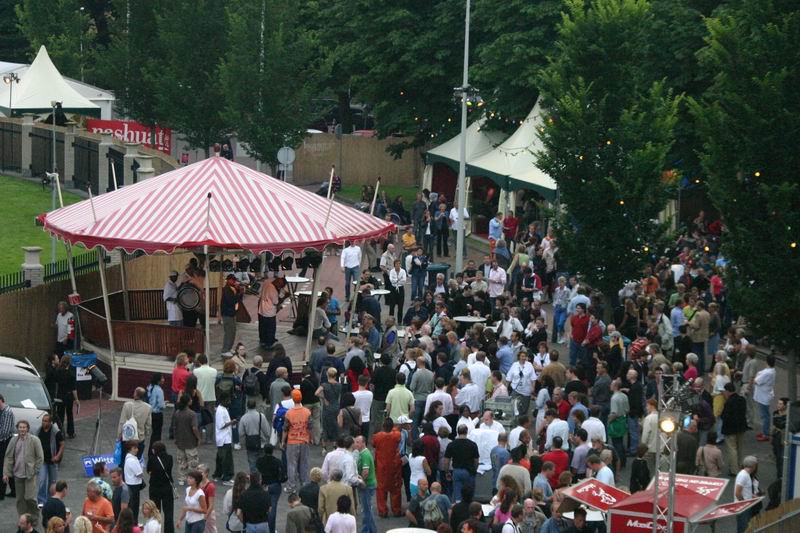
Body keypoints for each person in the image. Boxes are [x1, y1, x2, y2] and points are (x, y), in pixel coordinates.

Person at [3, 420, 43, 523]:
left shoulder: (34, 440)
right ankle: (23, 520)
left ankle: (34, 517)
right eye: (20, 427)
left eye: (24, 427)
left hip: (30, 474)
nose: (22, 429)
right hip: (17, 474)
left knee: (30, 498)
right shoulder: (13, 440)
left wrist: (35, 470)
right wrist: (6, 473)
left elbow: (40, 457)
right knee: (20, 499)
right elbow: (8, 457)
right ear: (17, 428)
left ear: (27, 428)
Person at [372, 418, 402, 517]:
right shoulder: (397, 435)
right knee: (396, 489)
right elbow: (397, 432)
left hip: (382, 466)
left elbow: (373, 444)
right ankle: (396, 510)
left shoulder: (377, 436)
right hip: (394, 465)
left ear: (383, 427)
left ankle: (383, 511)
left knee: (381, 489)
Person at [284, 389, 311, 493]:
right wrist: (311, 438)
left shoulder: (289, 413)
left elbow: (285, 429)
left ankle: (291, 486)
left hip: (292, 441)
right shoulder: (307, 412)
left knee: (291, 464)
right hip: (304, 440)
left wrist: (282, 441)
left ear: (293, 399)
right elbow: (310, 427)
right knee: (304, 463)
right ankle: (304, 484)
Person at [444, 424, 480, 503]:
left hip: (457, 471)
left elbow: (446, 461)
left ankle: (458, 506)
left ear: (457, 432)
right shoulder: (472, 445)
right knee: (469, 495)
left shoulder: (452, 444)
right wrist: (474, 470)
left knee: (457, 495)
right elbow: (476, 461)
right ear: (467, 432)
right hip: (469, 471)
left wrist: (447, 472)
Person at [721, 382, 748, 476]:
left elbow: (724, 416)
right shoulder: (742, 399)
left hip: (730, 429)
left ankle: (734, 469)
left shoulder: (728, 402)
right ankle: (740, 465)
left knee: (732, 449)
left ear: (727, 391)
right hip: (741, 427)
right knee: (740, 448)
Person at [147, 441, 175, 533]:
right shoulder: (170, 458)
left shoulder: (152, 459)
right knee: (168, 512)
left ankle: (155, 530)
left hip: (155, 488)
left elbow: (148, 470)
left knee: (155, 511)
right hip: (167, 487)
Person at [255, 445, 284, 533]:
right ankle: (271, 530)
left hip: (263, 485)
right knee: (272, 508)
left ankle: (261, 527)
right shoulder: (277, 461)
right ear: (272, 451)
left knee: (261, 507)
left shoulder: (259, 461)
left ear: (264, 451)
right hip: (274, 485)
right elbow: (282, 474)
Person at [36, 413, 63, 505]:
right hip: (42, 460)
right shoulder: (39, 431)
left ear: (50, 422)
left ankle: (50, 500)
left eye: (46, 421)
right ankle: (41, 501)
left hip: (52, 461)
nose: (43, 423)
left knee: (52, 483)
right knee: (42, 480)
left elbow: (62, 444)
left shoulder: (56, 432)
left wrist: (58, 456)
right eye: (43, 421)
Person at [118, 388, 152, 459]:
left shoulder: (127, 405)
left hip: (127, 437)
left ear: (136, 395)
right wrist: (146, 433)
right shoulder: (148, 407)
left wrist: (119, 435)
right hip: (139, 437)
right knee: (137, 459)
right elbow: (148, 424)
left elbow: (122, 422)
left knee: (124, 459)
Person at [354, 435, 378, 533]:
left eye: (357, 442)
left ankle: (364, 531)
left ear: (363, 443)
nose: (355, 444)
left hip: (367, 486)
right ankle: (373, 531)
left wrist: (361, 481)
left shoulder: (365, 455)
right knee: (367, 509)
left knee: (366, 510)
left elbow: (365, 472)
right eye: (355, 442)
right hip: (367, 485)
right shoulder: (363, 453)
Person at [316, 368, 343, 454]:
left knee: (325, 426)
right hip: (336, 406)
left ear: (327, 374)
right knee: (335, 426)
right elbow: (339, 397)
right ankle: (334, 446)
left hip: (327, 407)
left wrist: (324, 398)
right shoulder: (339, 385)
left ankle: (324, 447)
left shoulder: (324, 385)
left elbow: (316, 393)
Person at [53, 356, 79, 440]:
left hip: (60, 395)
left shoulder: (58, 372)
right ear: (69, 363)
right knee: (69, 414)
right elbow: (74, 388)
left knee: (60, 414)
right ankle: (70, 432)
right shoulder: (71, 374)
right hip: (68, 396)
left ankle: (59, 432)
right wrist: (76, 399)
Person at [735, 456, 762, 533]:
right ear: (754, 466)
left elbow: (745, 491)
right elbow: (737, 493)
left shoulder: (746, 474)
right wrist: (744, 503)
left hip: (746, 506)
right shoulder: (743, 475)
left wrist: (753, 496)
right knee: (744, 529)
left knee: (746, 528)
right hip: (743, 507)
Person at [213, 395, 236, 485]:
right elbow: (221, 425)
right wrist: (231, 422)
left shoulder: (223, 409)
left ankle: (218, 475)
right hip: (224, 439)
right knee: (227, 460)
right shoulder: (220, 411)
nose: (229, 402)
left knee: (220, 458)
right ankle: (226, 478)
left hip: (224, 438)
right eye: (227, 400)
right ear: (222, 401)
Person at [753, 355, 776, 442]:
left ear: (766, 362)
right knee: (764, 415)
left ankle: (766, 434)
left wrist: (757, 375)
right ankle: (764, 432)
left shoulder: (767, 373)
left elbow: (756, 381)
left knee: (764, 416)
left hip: (763, 396)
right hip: (764, 395)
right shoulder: (772, 371)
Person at [258, 277, 283, 349]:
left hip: (262, 309)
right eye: (280, 285)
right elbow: (276, 302)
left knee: (262, 327)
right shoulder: (273, 290)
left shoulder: (266, 283)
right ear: (278, 282)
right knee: (270, 328)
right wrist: (283, 297)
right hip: (269, 312)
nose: (280, 287)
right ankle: (269, 343)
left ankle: (263, 340)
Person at [123, 441, 144, 523]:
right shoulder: (132, 460)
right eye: (134, 448)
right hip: (134, 486)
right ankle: (134, 524)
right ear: (129, 449)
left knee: (131, 505)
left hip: (129, 484)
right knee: (134, 507)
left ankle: (132, 523)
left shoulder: (128, 458)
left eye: (137, 448)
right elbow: (139, 474)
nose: (137, 450)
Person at [220, 274, 242, 353]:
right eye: (232, 280)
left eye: (234, 280)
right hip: (227, 313)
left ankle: (229, 348)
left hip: (232, 313)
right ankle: (225, 350)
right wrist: (239, 294)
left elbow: (237, 299)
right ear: (228, 280)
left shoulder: (232, 289)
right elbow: (231, 301)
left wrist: (239, 291)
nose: (234, 281)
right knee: (229, 332)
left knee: (233, 332)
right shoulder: (227, 289)